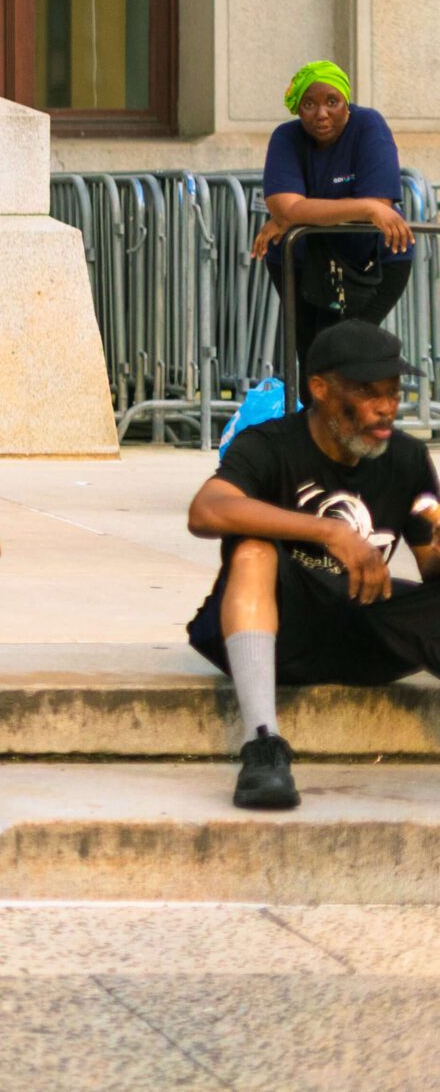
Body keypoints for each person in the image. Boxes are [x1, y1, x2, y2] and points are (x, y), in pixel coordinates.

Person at [186, 319, 440, 811]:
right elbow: (206, 510)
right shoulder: (269, 444)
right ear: (320, 389)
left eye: (393, 393)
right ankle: (263, 745)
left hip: (365, 629)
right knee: (254, 549)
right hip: (284, 631)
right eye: (369, 393)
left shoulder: (407, 457)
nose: (387, 408)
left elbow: (432, 568)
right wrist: (329, 530)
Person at [252, 59, 416, 367]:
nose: (321, 113)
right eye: (309, 104)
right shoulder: (285, 137)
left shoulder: (369, 125)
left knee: (342, 354)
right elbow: (286, 207)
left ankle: (350, 415)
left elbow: (380, 204)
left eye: (332, 101)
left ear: (347, 104)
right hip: (298, 260)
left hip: (375, 260)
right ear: (298, 109)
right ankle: (315, 415)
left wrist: (301, 213)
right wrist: (363, 207)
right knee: (312, 358)